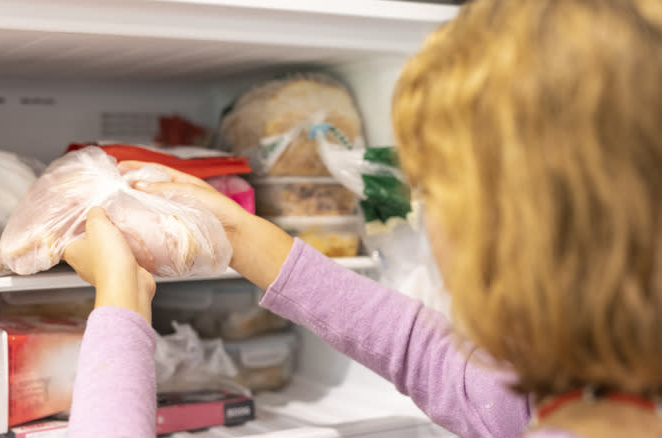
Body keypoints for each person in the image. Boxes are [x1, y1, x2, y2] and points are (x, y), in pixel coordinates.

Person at [64, 0, 662, 437]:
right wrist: (243, 236)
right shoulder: (593, 403)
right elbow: (427, 356)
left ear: (511, 235)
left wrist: (121, 303)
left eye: (433, 195)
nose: (430, 225)